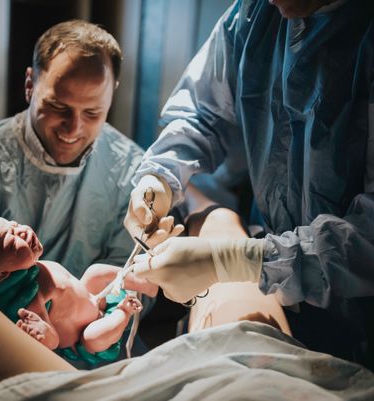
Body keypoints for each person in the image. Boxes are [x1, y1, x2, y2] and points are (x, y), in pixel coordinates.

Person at [124, 0, 374, 366]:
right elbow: (201, 112)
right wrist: (160, 174)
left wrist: (235, 261)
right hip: (271, 283)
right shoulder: (254, 14)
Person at [0, 248, 373, 401]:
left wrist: (136, 287)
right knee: (246, 309)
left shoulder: (94, 316)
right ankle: (220, 216)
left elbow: (103, 322)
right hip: (273, 366)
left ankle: (220, 220)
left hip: (194, 379)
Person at [0, 20, 161, 279]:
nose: (73, 128)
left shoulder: (131, 171)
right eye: (58, 107)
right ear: (30, 85)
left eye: (92, 112)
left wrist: (83, 313)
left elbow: (132, 276)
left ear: (111, 94)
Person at [0, 217, 158, 362]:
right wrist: (42, 333)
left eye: (13, 225)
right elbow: (53, 342)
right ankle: (124, 310)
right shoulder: (29, 299)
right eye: (11, 241)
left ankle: (149, 281)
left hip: (93, 299)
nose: (22, 231)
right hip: (88, 331)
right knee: (93, 339)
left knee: (96, 272)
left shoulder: (34, 267)